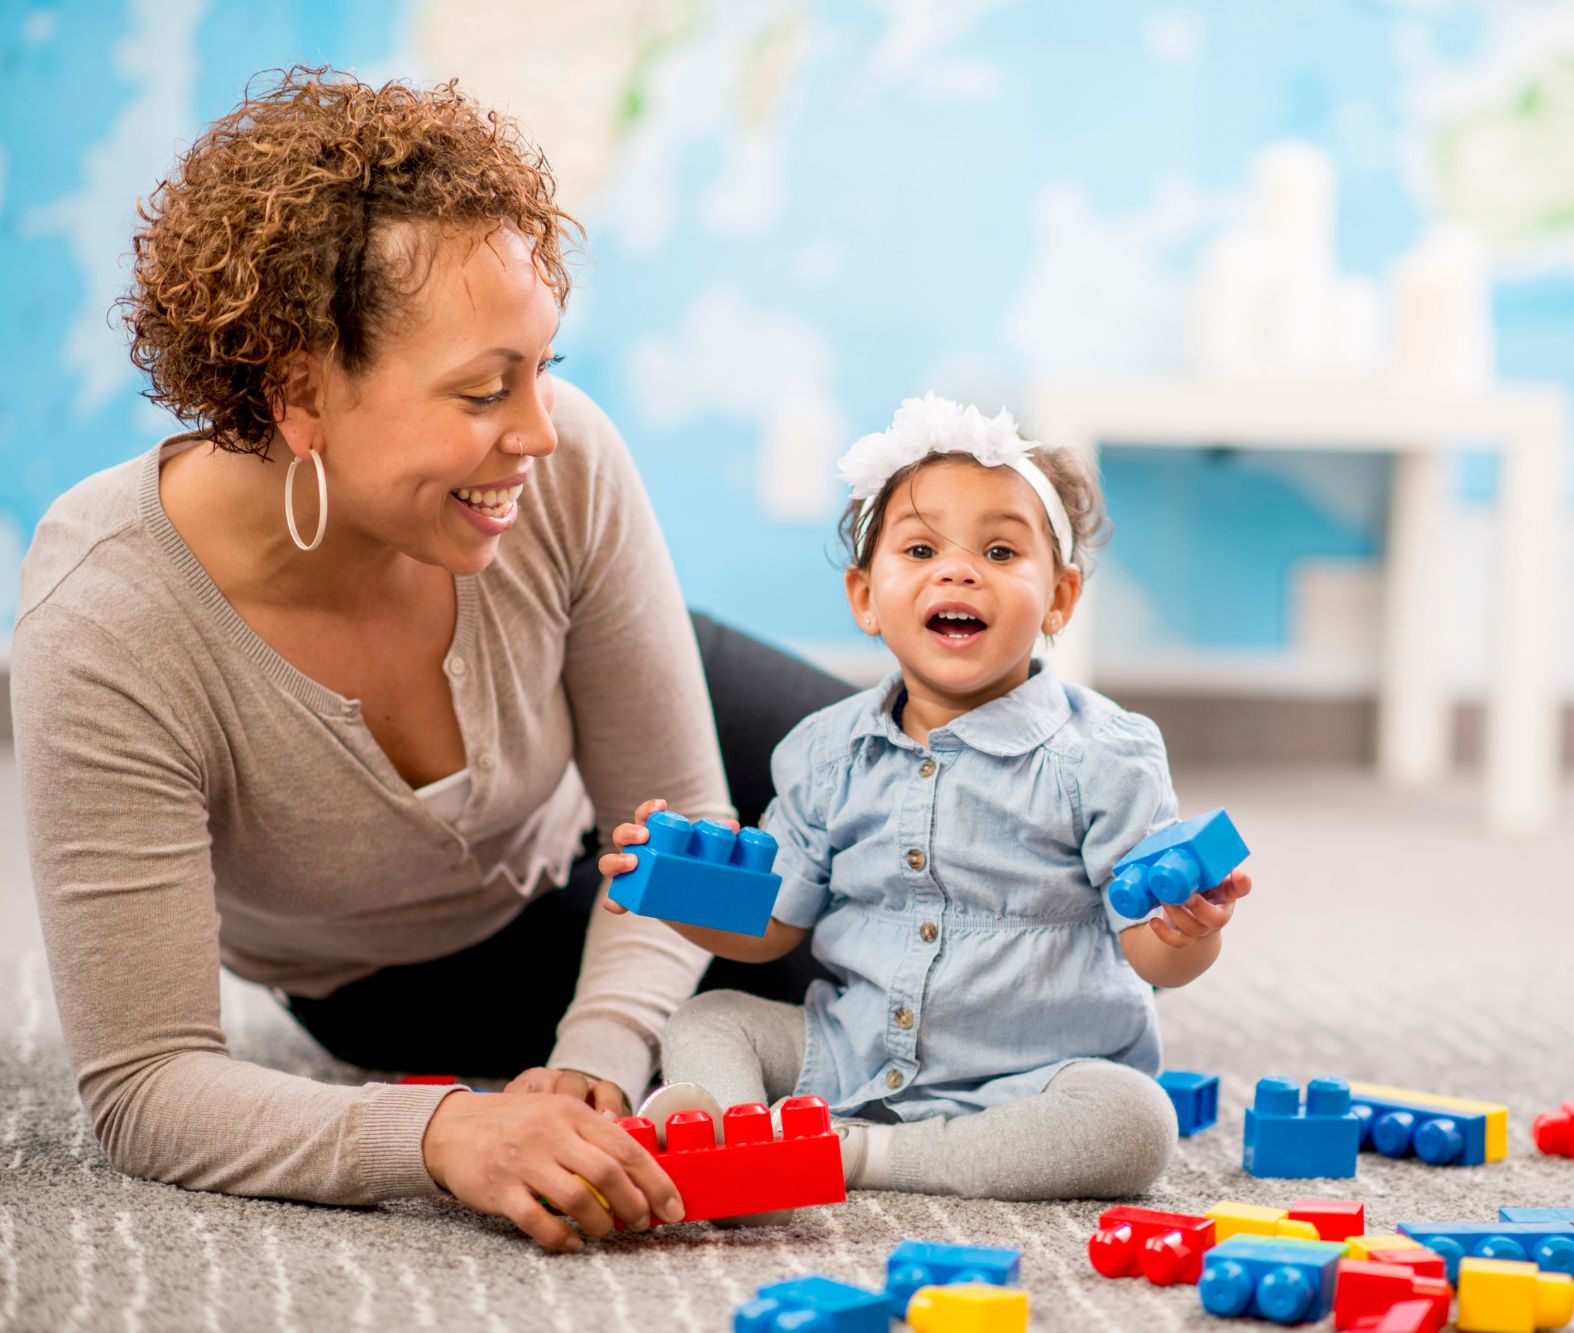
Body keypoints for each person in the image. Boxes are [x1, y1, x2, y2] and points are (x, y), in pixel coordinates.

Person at [10, 67, 845, 1254]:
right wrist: (448, 1130)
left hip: (621, 791)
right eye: (480, 389)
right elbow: (146, 1084)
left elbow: (677, 814)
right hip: (419, 961)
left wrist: (603, 1049)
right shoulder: (107, 619)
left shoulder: (562, 462)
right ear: (298, 387)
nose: (541, 432)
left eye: (542, 368)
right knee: (873, 984)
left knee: (959, 819)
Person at [598, 396, 1253, 1203]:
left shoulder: (1105, 755)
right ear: (865, 596)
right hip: (851, 1049)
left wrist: (1187, 929)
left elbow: (1157, 958)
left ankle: (851, 1155)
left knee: (1134, 1122)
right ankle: (730, 1142)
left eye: (1002, 549)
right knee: (711, 1017)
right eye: (920, 547)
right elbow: (772, 927)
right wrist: (673, 890)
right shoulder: (822, 750)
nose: (958, 568)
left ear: (1059, 598)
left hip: (1035, 1078)